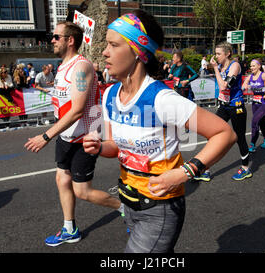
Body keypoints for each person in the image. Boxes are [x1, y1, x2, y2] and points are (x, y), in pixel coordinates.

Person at [83, 10, 236, 253]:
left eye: (113, 44)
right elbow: (114, 147)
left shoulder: (161, 99)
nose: (104, 51)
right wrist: (100, 147)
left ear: (136, 51)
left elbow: (224, 134)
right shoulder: (110, 94)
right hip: (129, 202)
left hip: (160, 208)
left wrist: (186, 172)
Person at [24, 21, 123, 247]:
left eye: (56, 36)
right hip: (66, 135)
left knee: (82, 191)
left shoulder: (81, 67)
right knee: (61, 179)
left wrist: (45, 136)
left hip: (84, 137)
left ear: (70, 40)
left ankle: (124, 207)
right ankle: (70, 229)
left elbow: (77, 109)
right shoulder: (62, 66)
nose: (52, 40)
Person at [197, 42, 252, 182]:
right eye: (215, 53)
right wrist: (217, 68)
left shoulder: (235, 66)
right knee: (212, 134)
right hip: (224, 105)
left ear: (227, 53)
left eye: (219, 54)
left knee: (239, 138)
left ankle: (246, 169)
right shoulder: (221, 66)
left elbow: (223, 86)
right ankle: (206, 170)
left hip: (236, 106)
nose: (216, 56)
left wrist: (215, 69)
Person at [242, 59, 265, 153]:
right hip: (255, 103)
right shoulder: (250, 77)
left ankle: (252, 144)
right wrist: (245, 86)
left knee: (254, 121)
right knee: (261, 122)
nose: (251, 67)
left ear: (258, 66)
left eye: (253, 66)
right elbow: (244, 83)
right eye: (251, 66)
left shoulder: (264, 75)